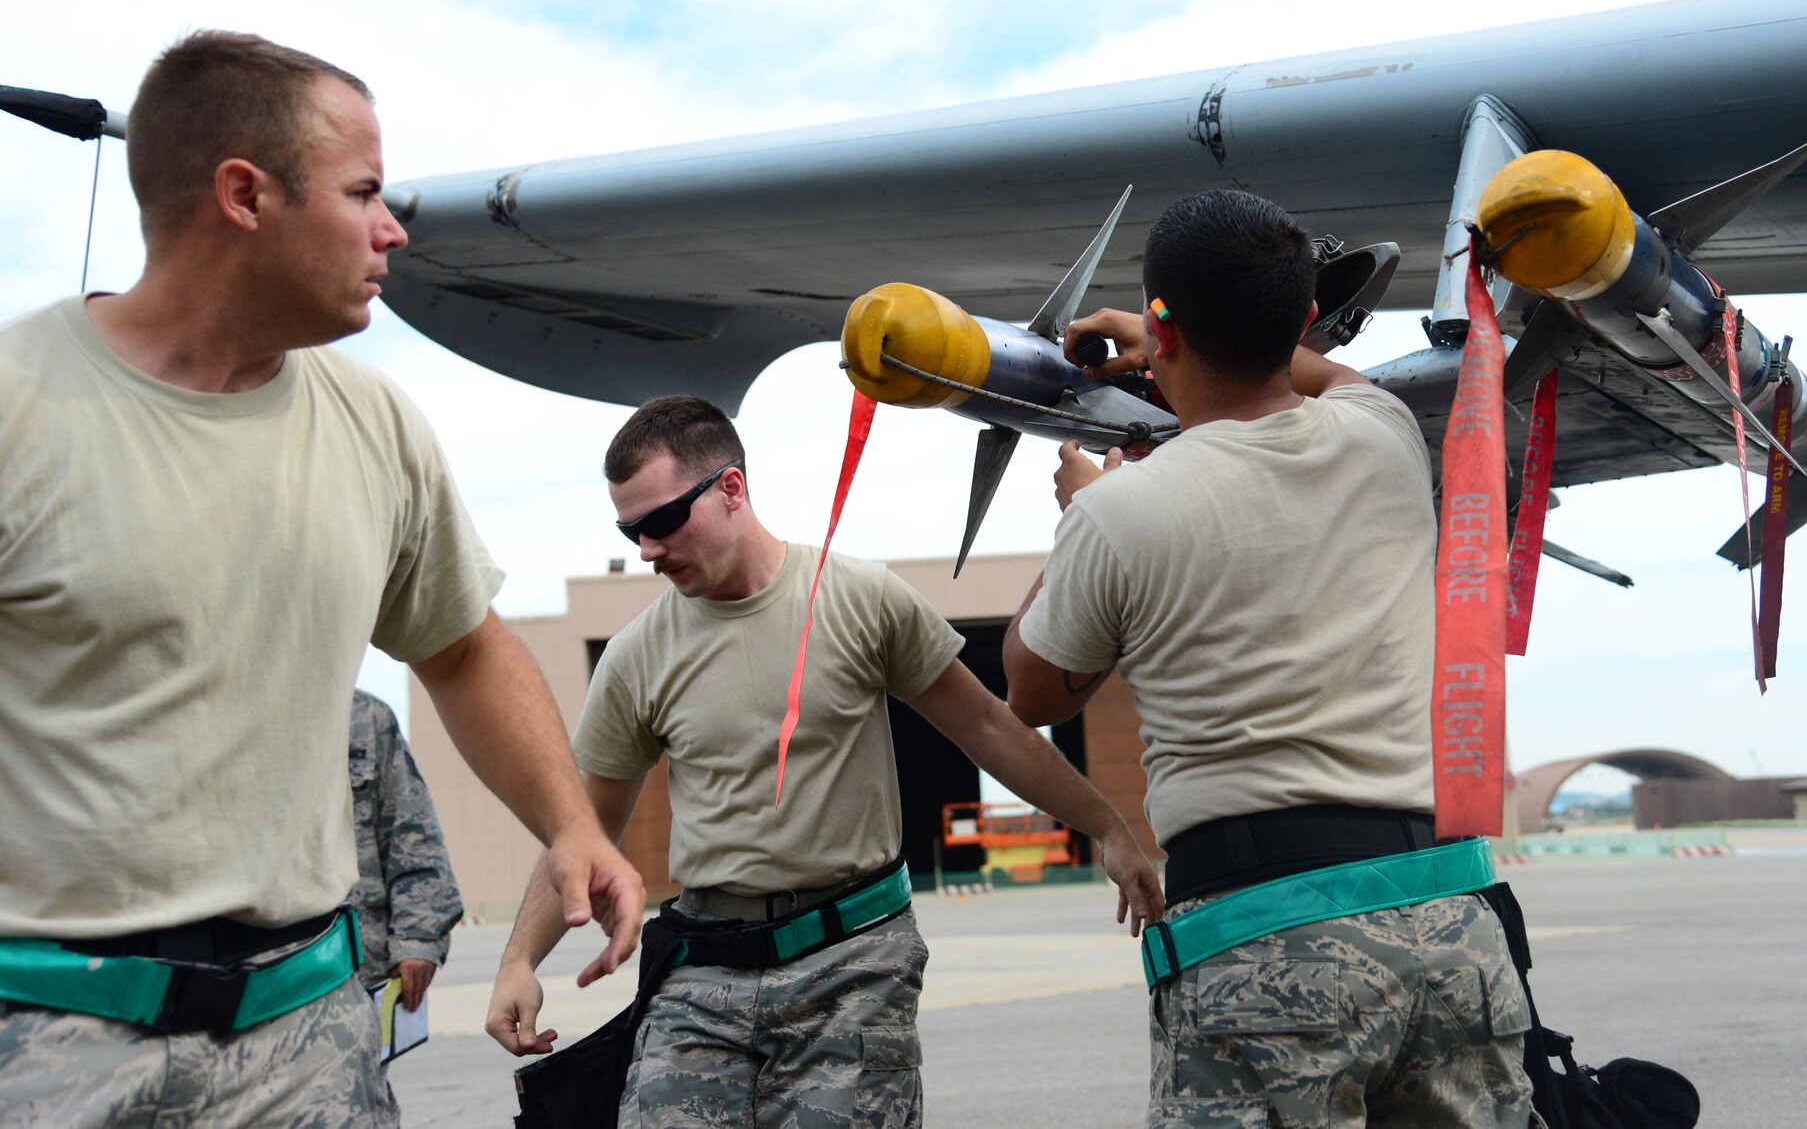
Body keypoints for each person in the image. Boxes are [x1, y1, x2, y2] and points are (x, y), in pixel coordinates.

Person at [0, 31, 643, 1127]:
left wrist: (570, 828)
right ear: (245, 195)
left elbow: (461, 647)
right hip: (52, 1044)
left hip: (307, 1036)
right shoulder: (21, 410)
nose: (392, 229)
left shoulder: (373, 424)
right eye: (363, 193)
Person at [1003, 190, 1541, 1127]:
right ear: (1299, 317)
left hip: (1265, 945)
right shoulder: (1383, 432)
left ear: (1163, 329)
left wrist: (1079, 519)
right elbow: (1326, 375)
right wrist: (1169, 326)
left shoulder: (1120, 512)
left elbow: (1033, 687)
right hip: (1453, 923)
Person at [485, 394, 1165, 1128]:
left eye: (660, 521)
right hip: (703, 973)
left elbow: (991, 731)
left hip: (852, 967)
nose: (648, 548)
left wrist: (1109, 826)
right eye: (630, 530)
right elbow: (583, 828)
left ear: (731, 488)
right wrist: (518, 959)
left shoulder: (860, 599)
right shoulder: (636, 657)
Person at [347, 689, 463, 1008]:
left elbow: (412, 834)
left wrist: (417, 936)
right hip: (231, 970)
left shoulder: (365, 718)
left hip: (354, 980)